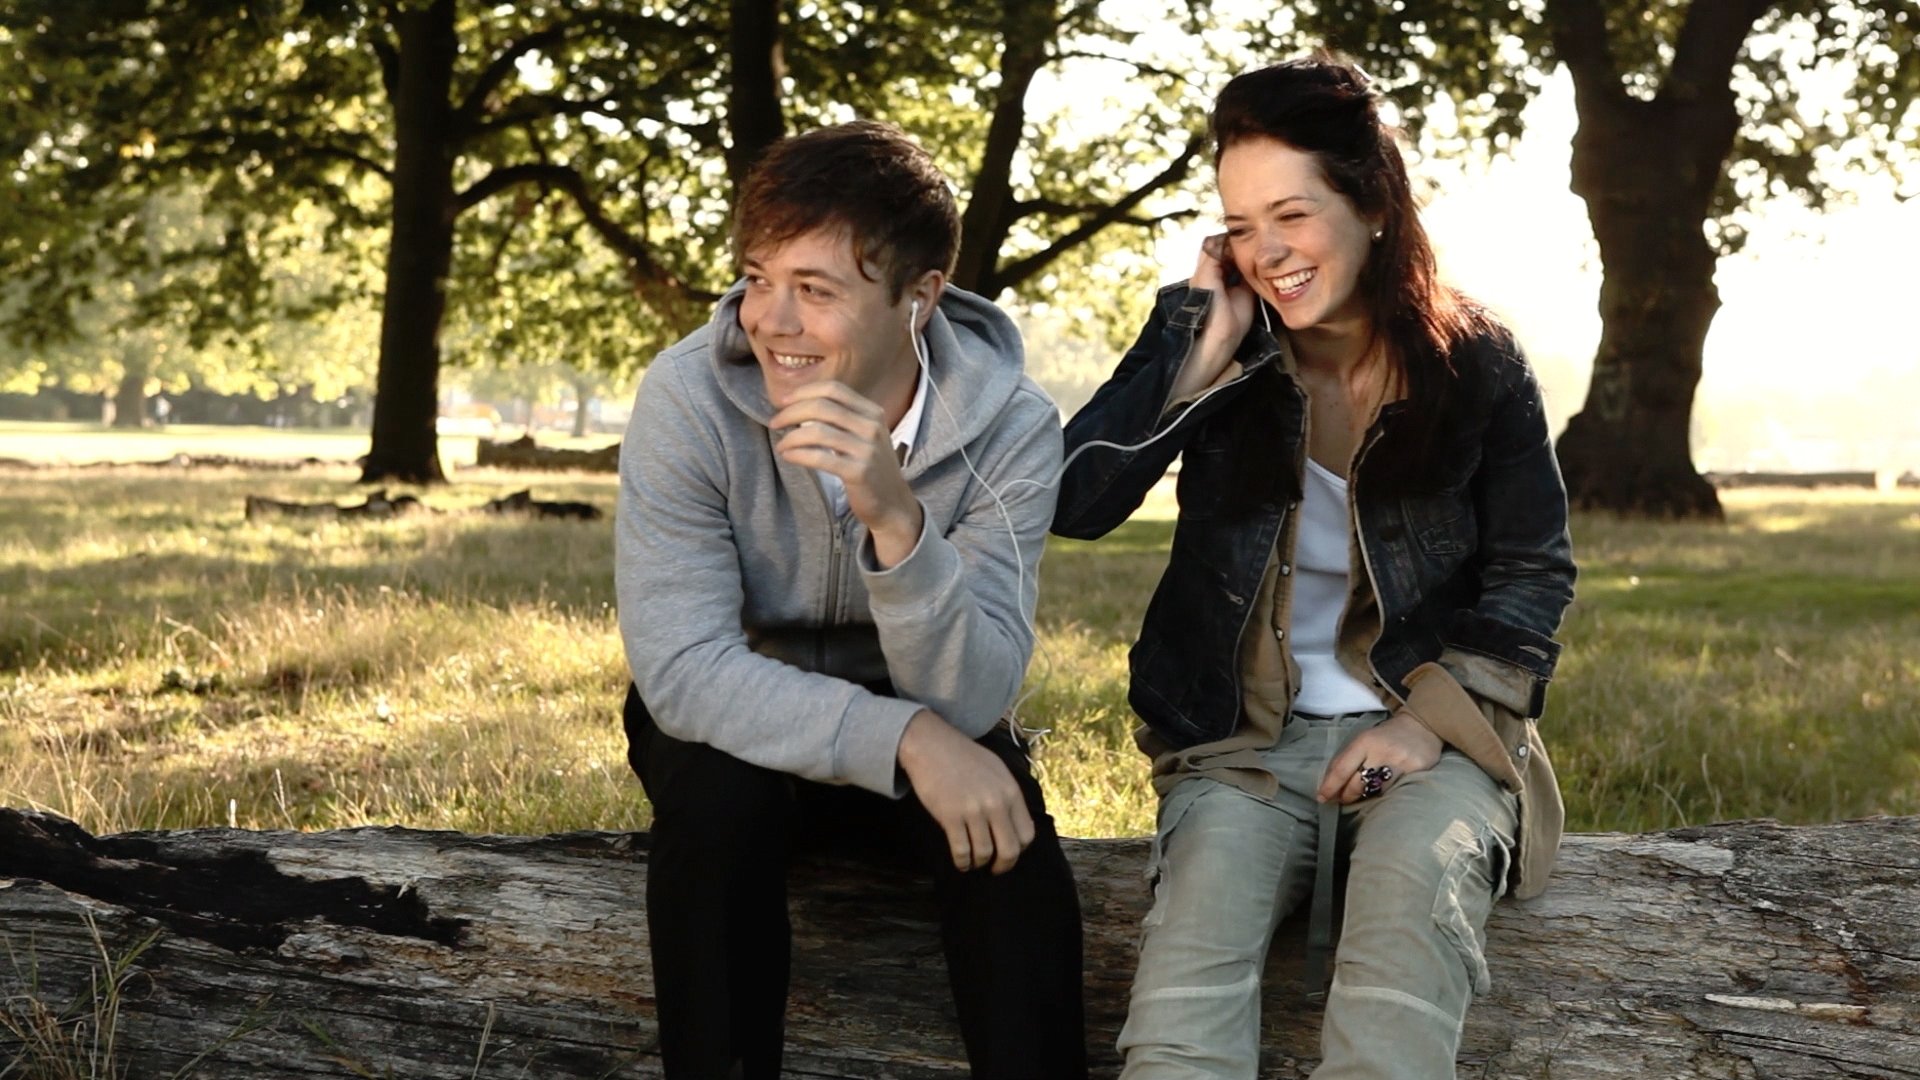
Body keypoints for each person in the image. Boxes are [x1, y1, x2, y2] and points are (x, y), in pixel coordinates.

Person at [1052, 56, 1577, 1079]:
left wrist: (1421, 728)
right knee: (1176, 1030)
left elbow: (1532, 573)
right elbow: (1077, 501)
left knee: (1396, 972)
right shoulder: (1220, 344)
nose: (1265, 252)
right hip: (1242, 749)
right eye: (1240, 226)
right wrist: (1195, 356)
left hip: (1437, 731)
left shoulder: (1477, 365)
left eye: (1289, 215)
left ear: (1373, 201)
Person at [615, 120, 1086, 1080]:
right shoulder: (688, 398)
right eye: (758, 276)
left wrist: (897, 523)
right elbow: (684, 672)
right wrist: (905, 739)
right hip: (737, 718)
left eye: (816, 290)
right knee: (715, 805)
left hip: (933, 706)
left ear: (920, 298)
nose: (771, 319)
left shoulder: (1016, 426)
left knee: (1009, 850)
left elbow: (978, 688)